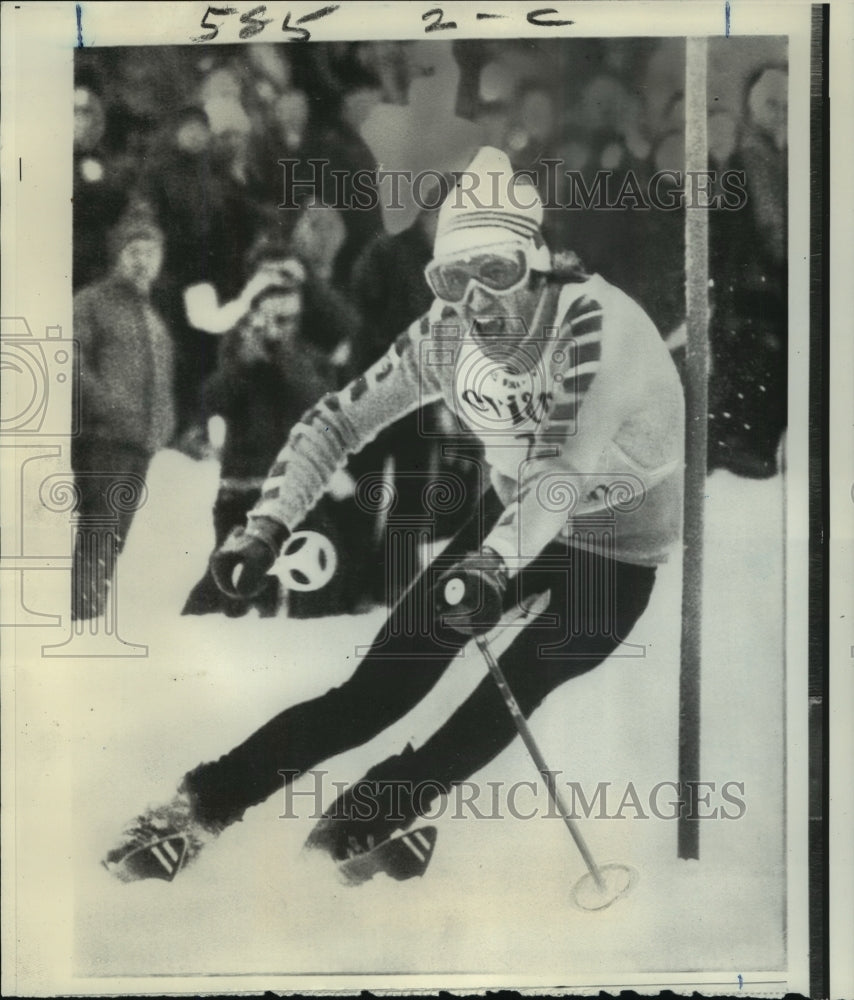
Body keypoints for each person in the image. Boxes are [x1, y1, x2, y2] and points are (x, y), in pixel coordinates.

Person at [104, 147, 684, 882]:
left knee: (512, 689)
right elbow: (336, 421)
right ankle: (200, 806)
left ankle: (373, 812)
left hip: (619, 550)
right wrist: (268, 523)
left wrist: (493, 565)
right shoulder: (445, 336)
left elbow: (560, 472)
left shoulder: (597, 327)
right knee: (379, 689)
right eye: (452, 278)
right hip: (512, 524)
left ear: (536, 265)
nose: (476, 302)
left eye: (497, 273)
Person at [71, 212, 175, 621]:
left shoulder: (154, 318)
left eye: (152, 253)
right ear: (117, 256)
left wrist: (164, 425)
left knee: (116, 538)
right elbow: (70, 361)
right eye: (134, 251)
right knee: (99, 532)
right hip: (102, 441)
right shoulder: (92, 302)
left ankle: (91, 616)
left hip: (140, 445)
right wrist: (107, 406)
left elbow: (163, 382)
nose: (142, 261)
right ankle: (83, 620)